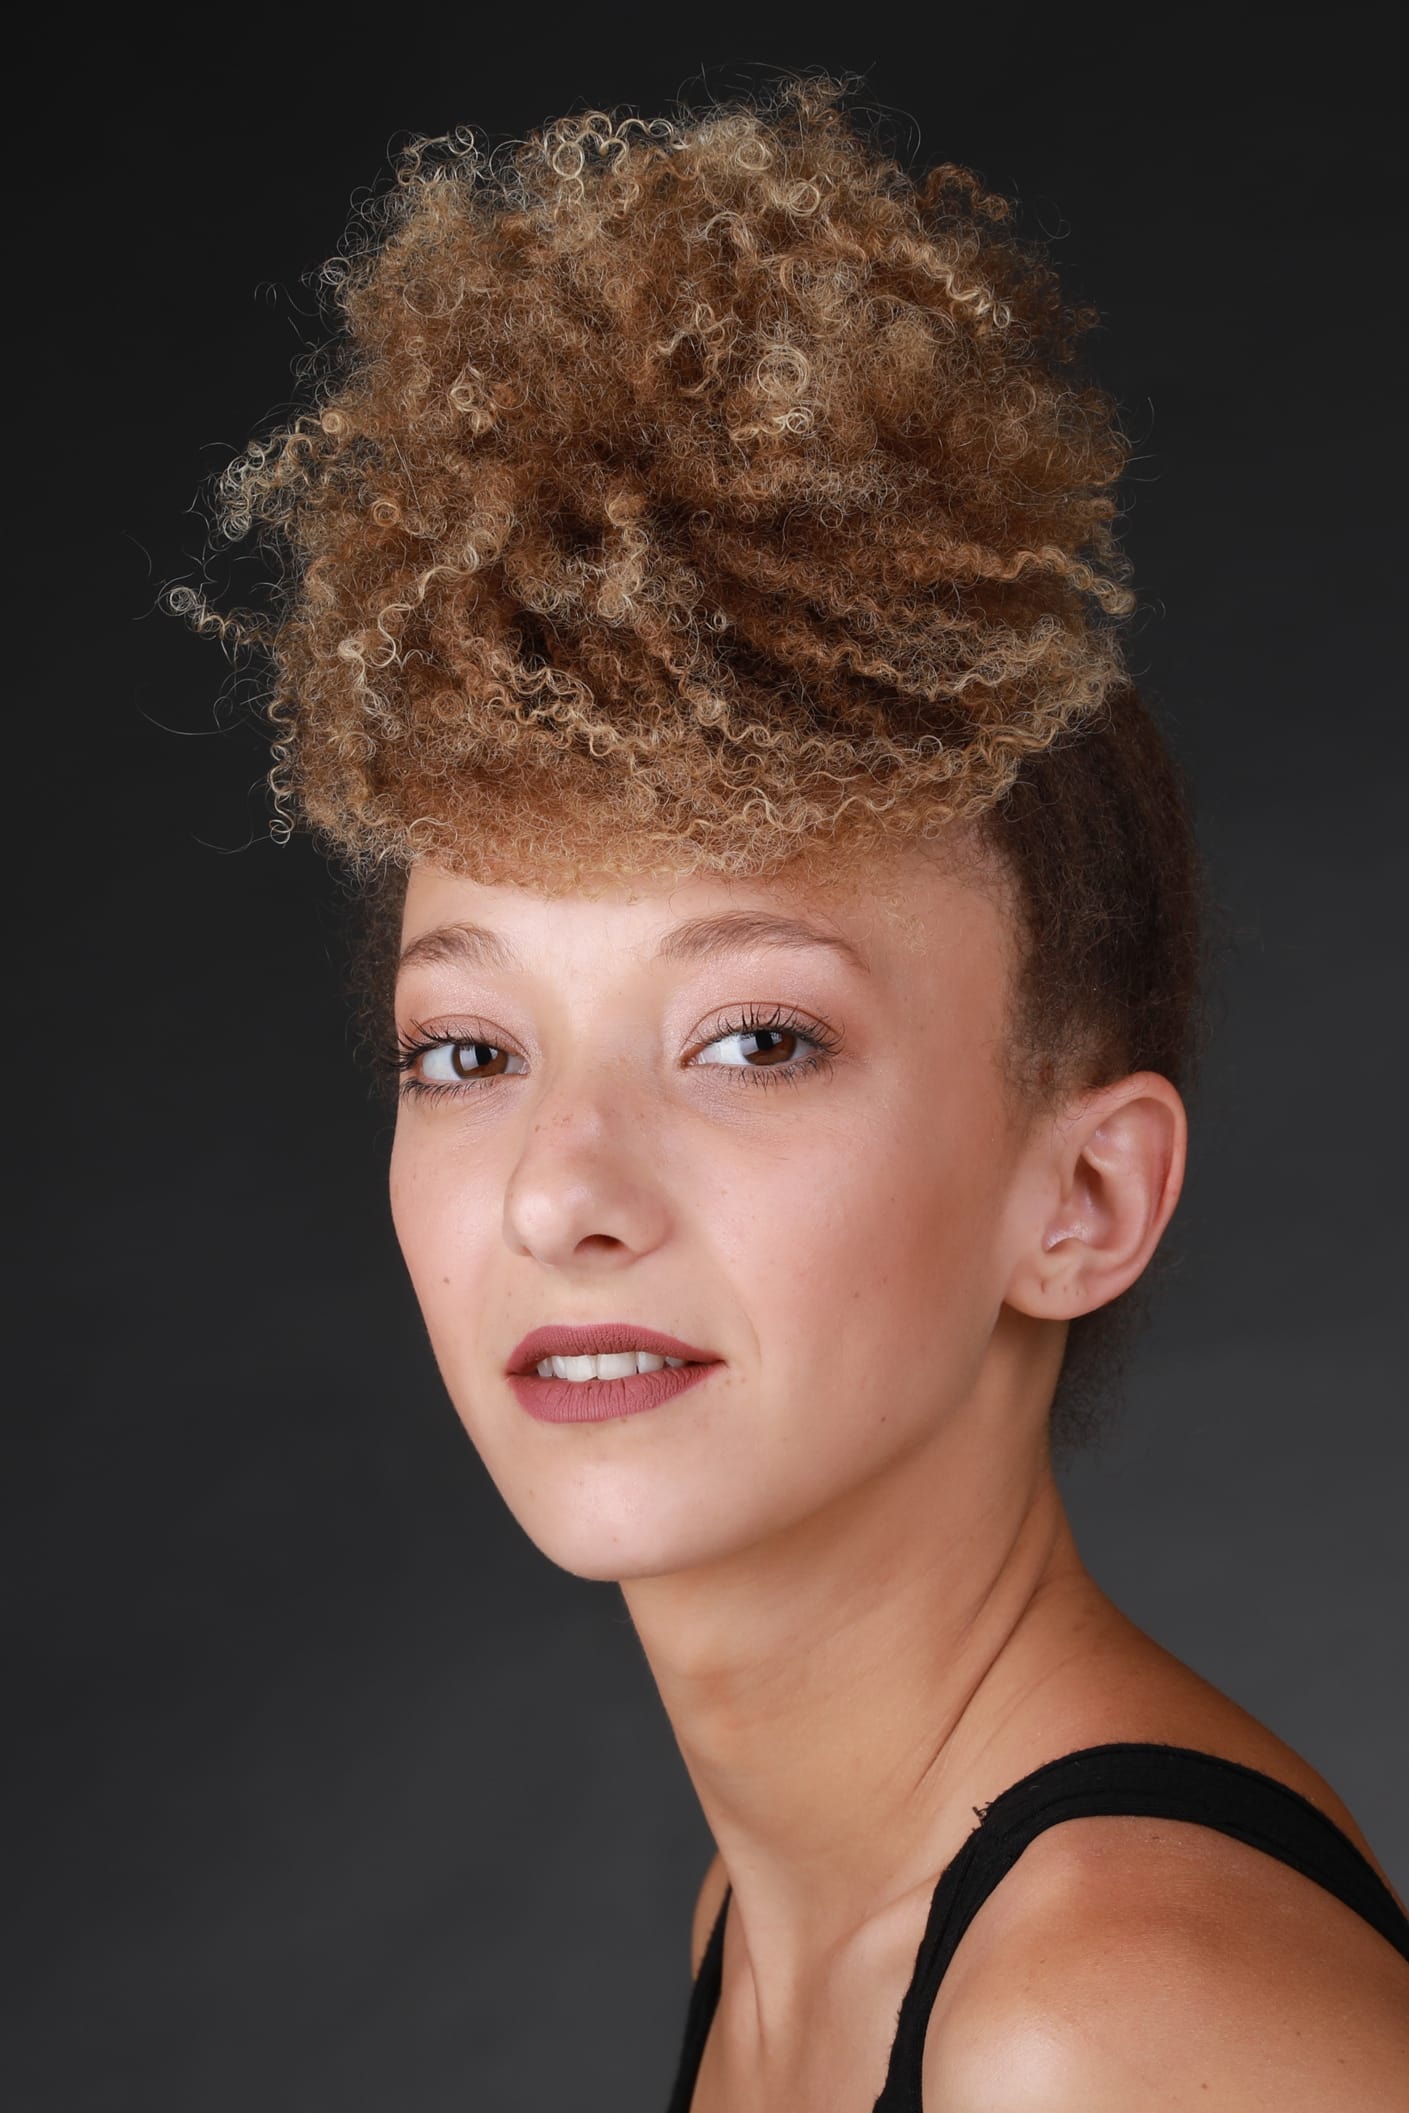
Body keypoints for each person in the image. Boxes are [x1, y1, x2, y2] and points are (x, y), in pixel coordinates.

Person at [172, 71, 1409, 2111]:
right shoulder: (769, 1923)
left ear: (1083, 1198)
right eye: (469, 1050)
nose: (559, 1189)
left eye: (754, 1038)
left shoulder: (1106, 2027)